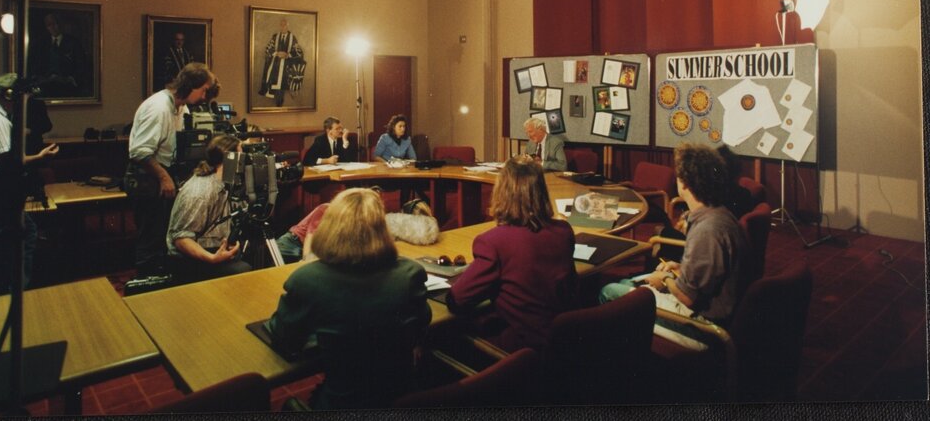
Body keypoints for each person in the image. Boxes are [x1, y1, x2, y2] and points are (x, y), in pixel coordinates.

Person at [263, 188, 431, 409]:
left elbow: (285, 339)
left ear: (330, 228)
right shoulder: (412, 273)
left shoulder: (307, 279)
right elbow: (423, 322)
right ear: (383, 229)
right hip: (403, 398)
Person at [599, 144, 749, 348]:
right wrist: (679, 269)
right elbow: (710, 272)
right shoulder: (720, 215)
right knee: (627, 286)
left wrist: (666, 278)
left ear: (685, 184)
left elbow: (687, 298)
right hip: (713, 311)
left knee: (609, 291)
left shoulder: (707, 230)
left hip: (703, 328)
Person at [447, 156, 577, 352]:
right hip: (561, 343)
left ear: (502, 193)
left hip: (523, 353)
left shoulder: (493, 242)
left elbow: (457, 301)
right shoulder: (564, 231)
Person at [0, 73, 59, 296]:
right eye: (22, 100)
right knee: (23, 236)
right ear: (9, 96)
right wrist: (41, 158)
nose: (23, 107)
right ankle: (14, 296)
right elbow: (8, 164)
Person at [126, 62, 216, 276]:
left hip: (163, 173)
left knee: (162, 237)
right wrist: (165, 178)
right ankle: (146, 287)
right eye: (203, 90)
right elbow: (139, 152)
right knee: (150, 238)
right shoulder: (158, 107)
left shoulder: (181, 107)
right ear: (191, 85)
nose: (204, 97)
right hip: (147, 179)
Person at [166, 134, 252, 283]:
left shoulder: (224, 184)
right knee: (243, 270)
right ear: (230, 159)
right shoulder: (200, 192)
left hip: (212, 248)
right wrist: (212, 259)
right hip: (189, 261)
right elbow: (181, 239)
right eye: (241, 156)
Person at [32, 12, 86, 97]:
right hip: (45, 88)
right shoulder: (41, 44)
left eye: (56, 23)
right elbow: (36, 66)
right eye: (50, 25)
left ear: (61, 24)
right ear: (47, 27)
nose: (54, 27)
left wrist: (68, 79)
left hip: (67, 89)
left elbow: (81, 66)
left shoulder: (73, 43)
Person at [258, 18, 305, 107]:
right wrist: (276, 53)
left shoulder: (292, 38)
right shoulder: (275, 37)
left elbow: (298, 51)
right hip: (276, 66)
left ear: (288, 26)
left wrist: (288, 55)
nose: (283, 27)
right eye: (281, 25)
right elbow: (268, 48)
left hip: (287, 67)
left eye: (285, 25)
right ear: (279, 26)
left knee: (282, 87)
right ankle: (277, 104)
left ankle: (281, 103)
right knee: (275, 85)